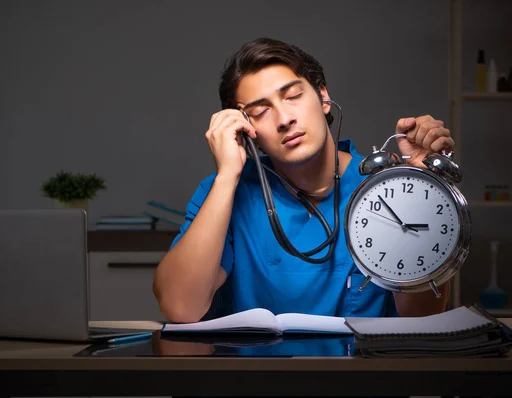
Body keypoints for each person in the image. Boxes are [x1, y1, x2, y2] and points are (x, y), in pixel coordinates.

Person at [153, 37, 455, 324]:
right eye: (260, 111)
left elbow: (422, 319)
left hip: (366, 376)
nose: (284, 119)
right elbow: (181, 306)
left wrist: (422, 188)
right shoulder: (224, 192)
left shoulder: (387, 187)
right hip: (256, 377)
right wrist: (228, 174)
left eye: (293, 96)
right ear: (246, 131)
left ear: (323, 97)